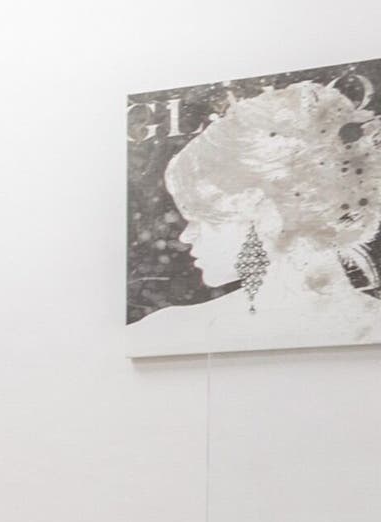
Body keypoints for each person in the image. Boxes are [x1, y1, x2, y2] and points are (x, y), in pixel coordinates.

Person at [132, 75, 381, 354]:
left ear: (262, 214)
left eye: (199, 219)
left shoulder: (169, 333)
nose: (185, 236)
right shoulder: (164, 333)